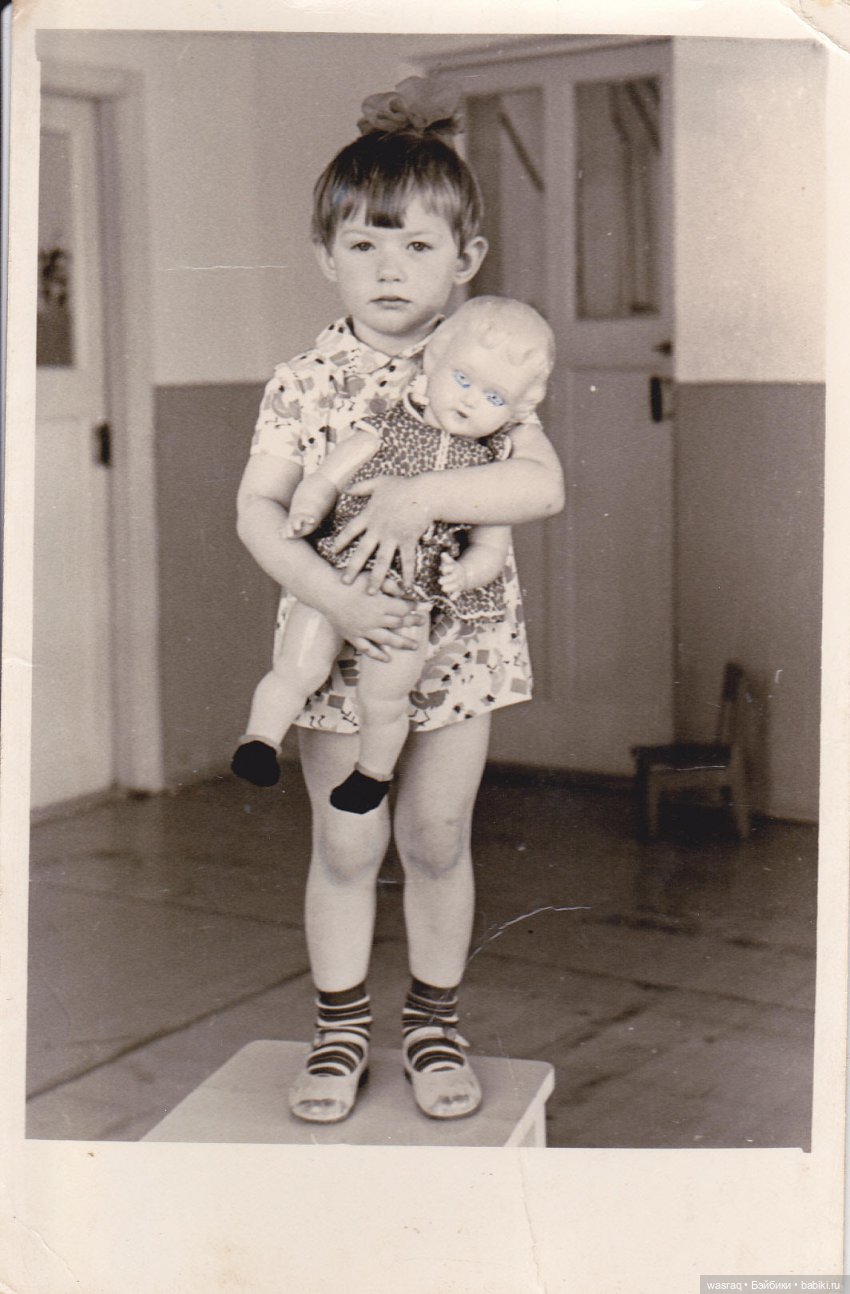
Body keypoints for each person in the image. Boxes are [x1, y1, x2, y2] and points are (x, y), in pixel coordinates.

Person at [235, 75, 564, 1124]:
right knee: (346, 844)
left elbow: (540, 486)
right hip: (341, 638)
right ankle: (339, 1030)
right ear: (324, 254)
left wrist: (423, 493)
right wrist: (332, 595)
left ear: (465, 259)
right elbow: (259, 512)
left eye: (417, 245)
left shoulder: (484, 359)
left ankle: (432, 1025)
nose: (388, 268)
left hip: (457, 647)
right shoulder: (303, 382)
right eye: (364, 244)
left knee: (435, 836)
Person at [231, 295, 556, 818]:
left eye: (494, 397)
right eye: (463, 380)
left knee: (385, 696)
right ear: (435, 363)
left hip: (407, 600)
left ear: (516, 409)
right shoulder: (390, 423)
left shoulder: (491, 462)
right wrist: (310, 504)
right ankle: (259, 742)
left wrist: (463, 573)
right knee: (297, 665)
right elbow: (328, 475)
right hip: (336, 571)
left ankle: (371, 774)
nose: (470, 401)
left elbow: (490, 549)